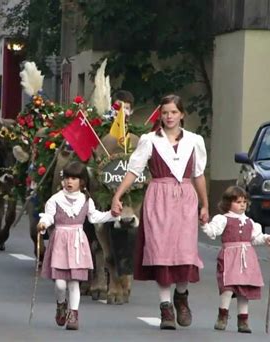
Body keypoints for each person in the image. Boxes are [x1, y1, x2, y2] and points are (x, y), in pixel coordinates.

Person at [111, 94, 209, 330]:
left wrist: (204, 204)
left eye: (174, 112)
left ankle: (181, 296)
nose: (169, 116)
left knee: (184, 251)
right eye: (165, 112)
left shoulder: (194, 141)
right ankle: (166, 307)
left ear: (182, 114)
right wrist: (118, 195)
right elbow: (134, 170)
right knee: (161, 250)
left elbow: (198, 174)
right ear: (161, 115)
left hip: (185, 197)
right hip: (159, 197)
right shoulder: (150, 140)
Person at [37, 161, 118, 330]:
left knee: (74, 282)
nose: (69, 181)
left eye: (74, 178)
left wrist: (112, 214)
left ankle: (73, 314)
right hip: (59, 241)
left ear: (82, 181)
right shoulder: (55, 199)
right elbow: (49, 216)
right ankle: (61, 304)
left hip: (77, 243)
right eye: (67, 177)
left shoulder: (86, 200)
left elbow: (94, 218)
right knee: (60, 283)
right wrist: (43, 223)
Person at [201, 186, 270, 333]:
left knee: (244, 290)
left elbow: (255, 238)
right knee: (227, 288)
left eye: (244, 202)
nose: (242, 205)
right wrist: (205, 224)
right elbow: (213, 231)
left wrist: (266, 238)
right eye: (238, 202)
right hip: (229, 257)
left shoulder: (250, 222)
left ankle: (243, 320)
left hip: (246, 258)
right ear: (228, 203)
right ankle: (222, 315)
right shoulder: (223, 219)